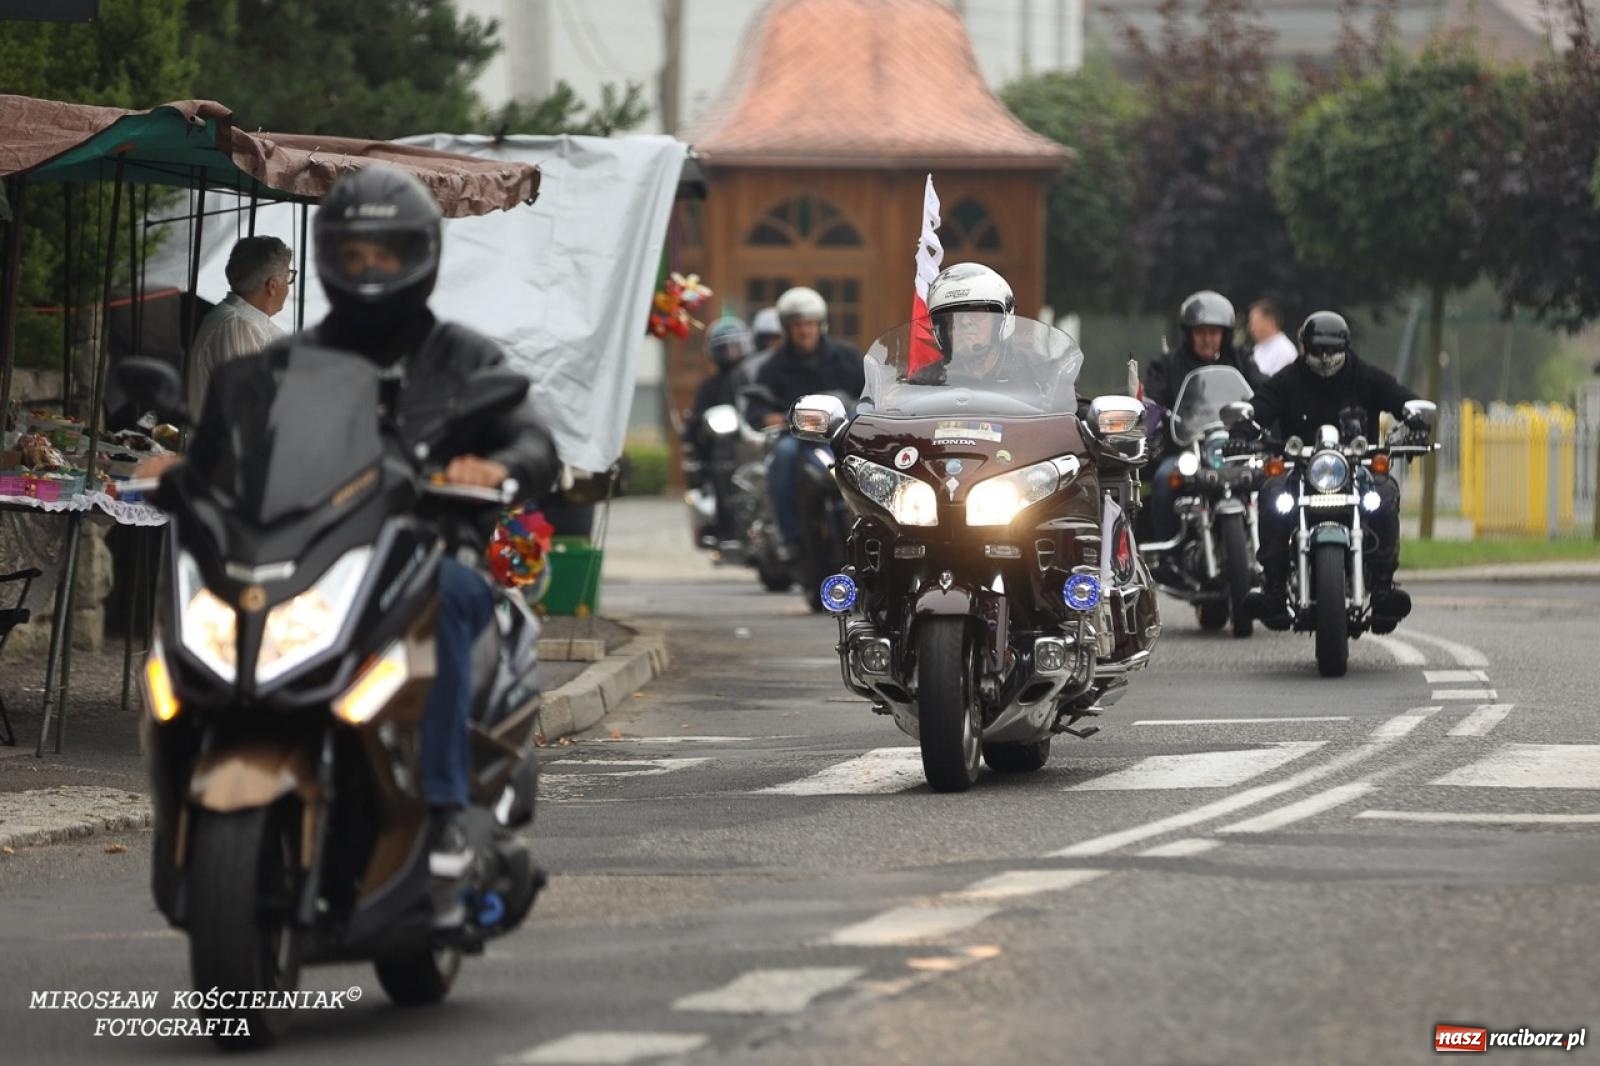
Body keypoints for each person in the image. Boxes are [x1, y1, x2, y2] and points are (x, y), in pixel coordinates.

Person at [183, 166, 557, 928]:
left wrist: (502, 463)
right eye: (355, 255)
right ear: (329, 259)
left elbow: (529, 436)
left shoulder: (459, 357)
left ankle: (447, 810)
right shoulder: (285, 359)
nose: (370, 270)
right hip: (319, 552)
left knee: (448, 597)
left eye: (386, 253)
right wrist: (183, 472)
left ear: (418, 256)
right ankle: (199, 765)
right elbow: (224, 445)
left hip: (424, 548)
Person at [1245, 310, 1421, 630]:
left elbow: (1400, 397)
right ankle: (1273, 586)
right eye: (1318, 350)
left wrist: (1416, 417)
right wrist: (1243, 426)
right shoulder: (1287, 380)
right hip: (1300, 472)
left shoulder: (1365, 376)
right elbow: (1259, 407)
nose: (1325, 358)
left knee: (1384, 491)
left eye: (1332, 350)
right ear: (1304, 348)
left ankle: (1382, 587)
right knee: (1272, 493)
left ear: (1346, 347)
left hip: (1358, 471)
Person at [744, 286, 864, 560]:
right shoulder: (772, 366)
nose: (805, 330)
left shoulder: (848, 357)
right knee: (781, 458)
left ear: (820, 325)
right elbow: (756, 405)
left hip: (842, 438)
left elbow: (871, 393)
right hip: (798, 439)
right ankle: (791, 539)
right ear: (787, 328)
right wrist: (767, 416)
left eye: (810, 323)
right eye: (798, 324)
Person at [1142, 290, 1251, 545]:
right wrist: (1154, 415)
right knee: (1164, 479)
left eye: (1214, 332)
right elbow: (1153, 401)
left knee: (1271, 483)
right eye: (1200, 332)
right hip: (1187, 450)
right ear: (1189, 334)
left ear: (1225, 335)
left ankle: (1269, 556)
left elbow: (1262, 394)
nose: (1207, 339)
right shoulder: (1167, 365)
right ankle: (1166, 553)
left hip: (1235, 449)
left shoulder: (1241, 361)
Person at [187, 236, 294, 413]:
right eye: (288, 277)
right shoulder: (236, 325)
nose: (289, 287)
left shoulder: (244, 319)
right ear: (272, 286)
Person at [684, 317, 755, 544]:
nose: (732, 352)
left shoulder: (756, 375)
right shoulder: (709, 386)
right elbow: (694, 426)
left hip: (755, 442)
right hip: (725, 449)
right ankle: (728, 529)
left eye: (736, 346)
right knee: (721, 466)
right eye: (725, 347)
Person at [1247, 299, 1298, 380]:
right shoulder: (1258, 348)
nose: (1251, 328)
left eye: (1254, 322)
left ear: (1270, 322)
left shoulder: (1285, 351)